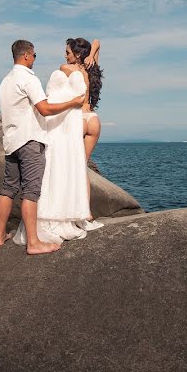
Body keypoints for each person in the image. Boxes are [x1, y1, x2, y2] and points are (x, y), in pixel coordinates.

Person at [0, 39, 84, 255]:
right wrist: (72, 104)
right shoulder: (28, 78)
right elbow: (44, 109)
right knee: (31, 191)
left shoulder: (5, 81)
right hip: (29, 140)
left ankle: (0, 237)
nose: (35, 59)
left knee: (8, 189)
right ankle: (33, 243)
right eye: (34, 55)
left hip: (10, 142)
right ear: (26, 55)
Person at [65, 37, 105, 230]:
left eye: (68, 53)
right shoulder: (91, 66)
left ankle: (74, 212)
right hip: (93, 119)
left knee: (73, 168)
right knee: (82, 167)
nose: (65, 56)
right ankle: (87, 213)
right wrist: (91, 54)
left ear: (77, 54)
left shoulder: (67, 69)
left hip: (79, 119)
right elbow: (97, 41)